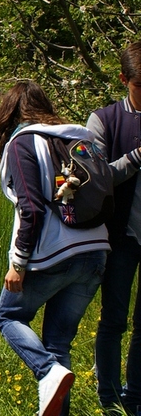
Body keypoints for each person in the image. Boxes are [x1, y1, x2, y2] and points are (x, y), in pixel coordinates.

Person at [0, 81, 110, 416]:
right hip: (96, 250)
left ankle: (47, 371)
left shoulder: (23, 142)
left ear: (9, 113)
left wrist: (18, 262)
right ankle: (55, 382)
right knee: (59, 344)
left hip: (52, 254)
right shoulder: (79, 137)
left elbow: (31, 209)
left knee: (9, 316)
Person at [89, 41, 141, 414]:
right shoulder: (104, 119)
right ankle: (109, 399)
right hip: (120, 237)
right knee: (114, 321)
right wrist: (137, 157)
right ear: (124, 80)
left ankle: (135, 395)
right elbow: (95, 178)